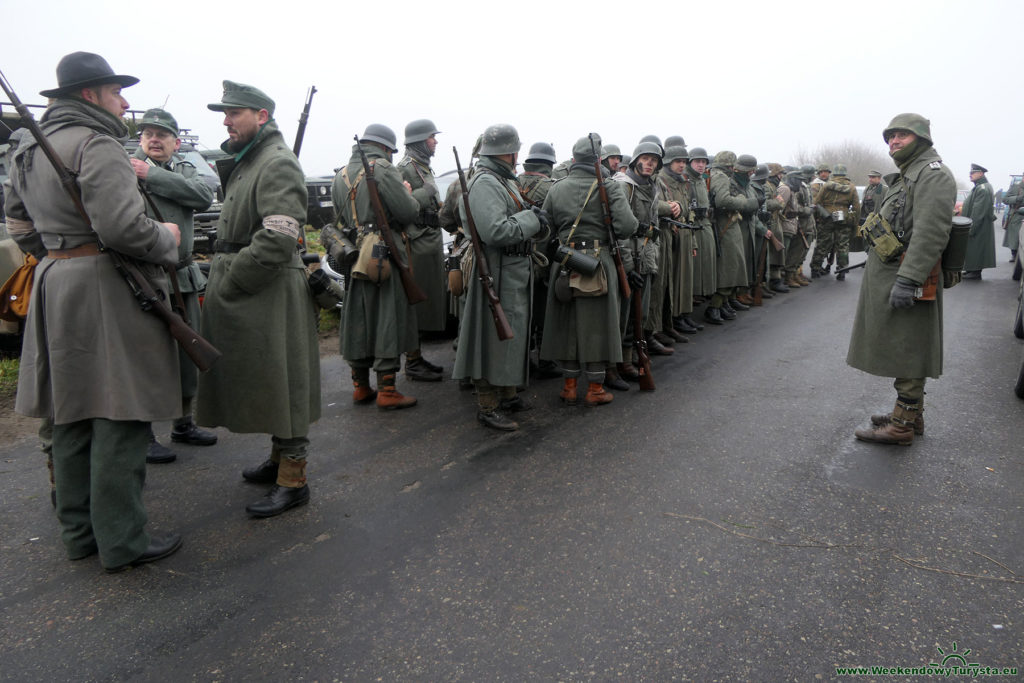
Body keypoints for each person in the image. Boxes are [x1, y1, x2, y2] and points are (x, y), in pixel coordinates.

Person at [3, 51, 182, 571]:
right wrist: (166, 237)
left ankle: (79, 534)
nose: (124, 103)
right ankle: (123, 540)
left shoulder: (27, 147)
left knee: (70, 414)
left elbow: (18, 227)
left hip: (55, 282)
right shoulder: (97, 144)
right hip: (106, 285)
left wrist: (60, 254)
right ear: (90, 96)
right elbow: (124, 229)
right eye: (115, 92)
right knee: (120, 413)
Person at [197, 81, 320, 517]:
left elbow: (279, 235)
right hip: (252, 288)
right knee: (270, 382)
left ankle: (294, 478)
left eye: (234, 113)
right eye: (225, 114)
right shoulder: (250, 160)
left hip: (265, 289)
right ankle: (277, 459)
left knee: (285, 383)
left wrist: (231, 283)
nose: (226, 121)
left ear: (262, 116)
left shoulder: (277, 162)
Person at [847, 113, 956, 446]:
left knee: (909, 347)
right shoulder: (909, 174)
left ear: (921, 139)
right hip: (892, 271)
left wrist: (909, 279)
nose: (894, 141)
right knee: (903, 345)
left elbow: (931, 232)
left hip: (908, 274)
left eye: (902, 136)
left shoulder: (932, 175)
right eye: (890, 136)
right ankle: (909, 414)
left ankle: (901, 427)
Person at [130, 108, 217, 463]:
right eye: (148, 133)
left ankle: (183, 422)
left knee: (186, 353)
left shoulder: (182, 169)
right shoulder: (122, 166)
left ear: (176, 142)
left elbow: (203, 195)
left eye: (162, 135)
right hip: (142, 277)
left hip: (180, 275)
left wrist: (152, 176)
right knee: (145, 356)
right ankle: (143, 432)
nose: (154, 139)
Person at [453, 124, 545, 431]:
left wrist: (530, 215)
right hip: (495, 270)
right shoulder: (486, 183)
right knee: (491, 339)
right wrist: (532, 218)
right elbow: (496, 231)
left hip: (511, 269)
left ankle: (506, 394)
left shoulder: (502, 180)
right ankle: (487, 405)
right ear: (509, 151)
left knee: (511, 337)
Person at [541, 135, 637, 406]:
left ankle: (569, 386)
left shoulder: (556, 188)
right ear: (599, 160)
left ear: (574, 160)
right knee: (597, 325)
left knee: (567, 323)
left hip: (564, 260)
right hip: (599, 262)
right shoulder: (609, 187)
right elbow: (627, 227)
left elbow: (544, 227)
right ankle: (594, 388)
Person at [335, 124, 421, 409]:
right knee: (387, 315)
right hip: (382, 252)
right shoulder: (382, 168)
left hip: (353, 253)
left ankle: (360, 386)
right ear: (386, 148)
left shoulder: (341, 175)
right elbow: (407, 211)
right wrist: (408, 192)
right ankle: (387, 390)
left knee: (357, 317)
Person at [396, 119, 446, 381]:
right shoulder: (404, 168)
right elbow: (401, 206)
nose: (435, 141)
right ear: (418, 140)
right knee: (415, 301)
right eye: (431, 137)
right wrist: (425, 193)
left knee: (427, 302)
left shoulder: (423, 167)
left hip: (430, 239)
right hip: (416, 241)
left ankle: (416, 357)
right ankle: (412, 361)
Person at [810, 163, 860, 280]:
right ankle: (841, 270)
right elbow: (857, 208)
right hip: (843, 217)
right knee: (843, 245)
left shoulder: (826, 186)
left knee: (822, 243)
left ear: (835, 173)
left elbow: (816, 202)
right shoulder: (852, 187)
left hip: (827, 217)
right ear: (845, 174)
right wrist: (855, 223)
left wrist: (819, 217)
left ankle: (815, 268)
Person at [961, 163, 997, 279]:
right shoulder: (980, 186)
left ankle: (975, 271)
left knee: (976, 247)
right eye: (970, 173)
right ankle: (971, 269)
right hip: (978, 225)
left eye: (973, 173)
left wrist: (971, 229)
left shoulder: (982, 188)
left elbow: (978, 213)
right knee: (973, 248)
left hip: (978, 225)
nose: (970, 175)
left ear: (981, 174)